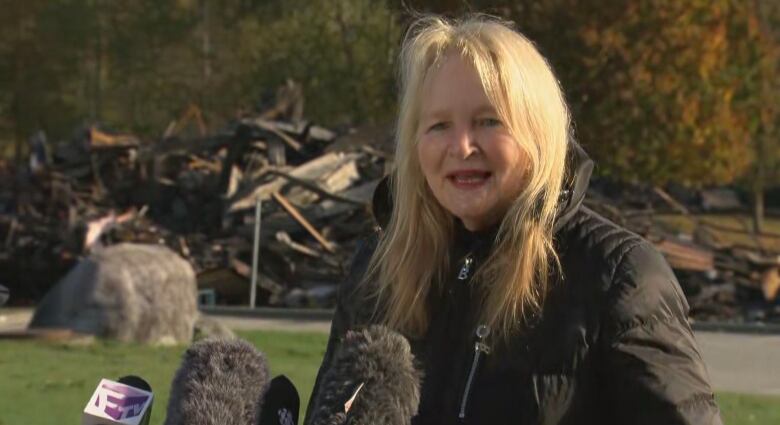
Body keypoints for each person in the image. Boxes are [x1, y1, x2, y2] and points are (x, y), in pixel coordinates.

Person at [305, 14, 722, 425]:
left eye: (489, 122)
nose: (462, 146)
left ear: (537, 134)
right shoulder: (375, 271)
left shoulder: (618, 276)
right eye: (438, 126)